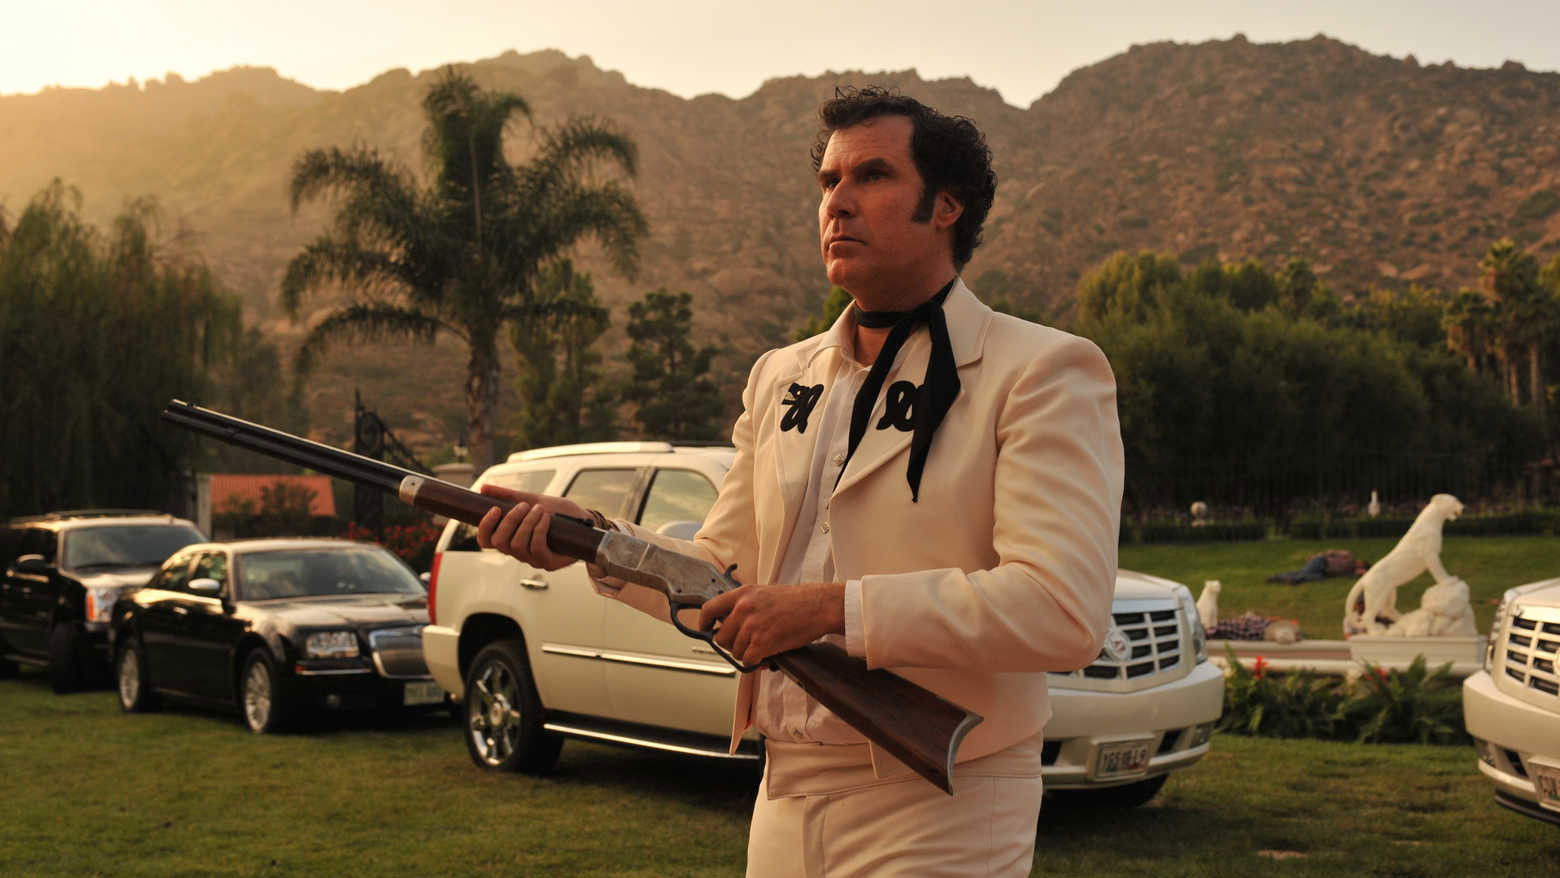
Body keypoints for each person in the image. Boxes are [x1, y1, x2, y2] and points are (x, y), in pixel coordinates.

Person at [477, 86, 1124, 877]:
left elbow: (1061, 608)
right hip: (782, 786)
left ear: (946, 206)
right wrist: (593, 541)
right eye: (828, 181)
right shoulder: (780, 376)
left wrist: (827, 610)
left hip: (947, 792)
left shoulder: (1042, 370)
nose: (838, 202)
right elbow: (721, 573)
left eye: (872, 176)